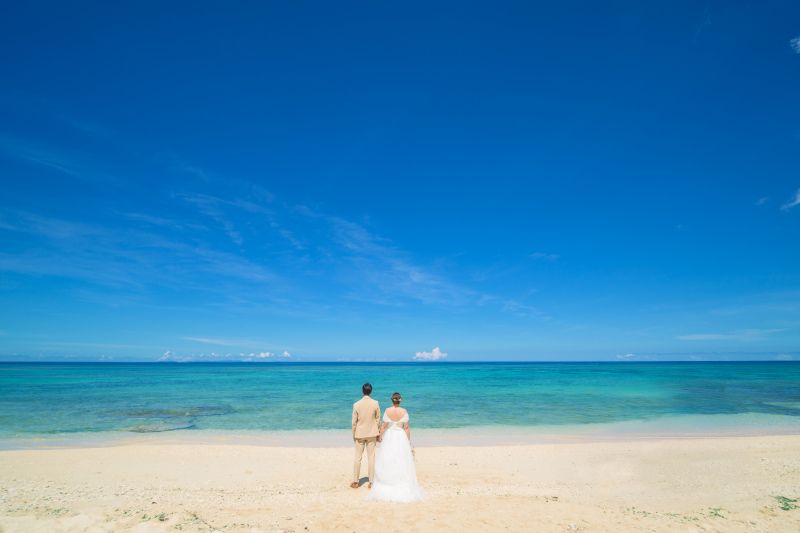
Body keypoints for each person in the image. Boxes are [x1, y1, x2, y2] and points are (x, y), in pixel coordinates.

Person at [365, 392, 425, 502]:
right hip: (400, 436)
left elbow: (384, 425)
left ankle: (388, 482)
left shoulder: (388, 411)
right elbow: (406, 427)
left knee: (388, 458)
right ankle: (401, 482)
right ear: (400, 400)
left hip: (390, 435)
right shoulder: (404, 411)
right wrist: (408, 440)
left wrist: (379, 436)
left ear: (392, 400)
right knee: (401, 459)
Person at [351, 382, 381, 489]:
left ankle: (355, 481)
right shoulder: (375, 403)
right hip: (372, 433)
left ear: (362, 391)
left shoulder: (356, 404)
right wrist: (378, 432)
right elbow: (378, 420)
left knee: (357, 457)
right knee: (371, 457)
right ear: (371, 392)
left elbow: (354, 423)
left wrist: (354, 435)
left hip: (359, 433)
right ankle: (371, 482)